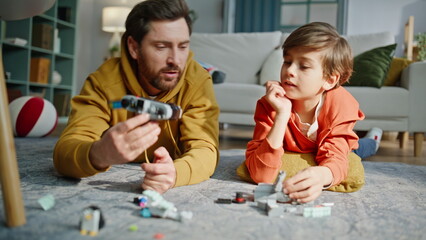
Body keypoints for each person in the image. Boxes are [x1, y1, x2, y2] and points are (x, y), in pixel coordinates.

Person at [53, 0, 219, 194]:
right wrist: (98, 153)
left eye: (182, 47)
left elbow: (205, 149)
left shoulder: (197, 81)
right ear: (133, 47)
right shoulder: (104, 82)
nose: (175, 60)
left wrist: (175, 173)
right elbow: (64, 152)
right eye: (161, 46)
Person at [243, 22, 382, 203]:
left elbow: (336, 160)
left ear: (330, 80)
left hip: (337, 144)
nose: (289, 71)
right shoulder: (271, 103)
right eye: (287, 61)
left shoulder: (341, 105)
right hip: (305, 143)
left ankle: (374, 140)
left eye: (304, 66)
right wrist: (282, 115)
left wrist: (323, 175)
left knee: (359, 149)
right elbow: (261, 173)